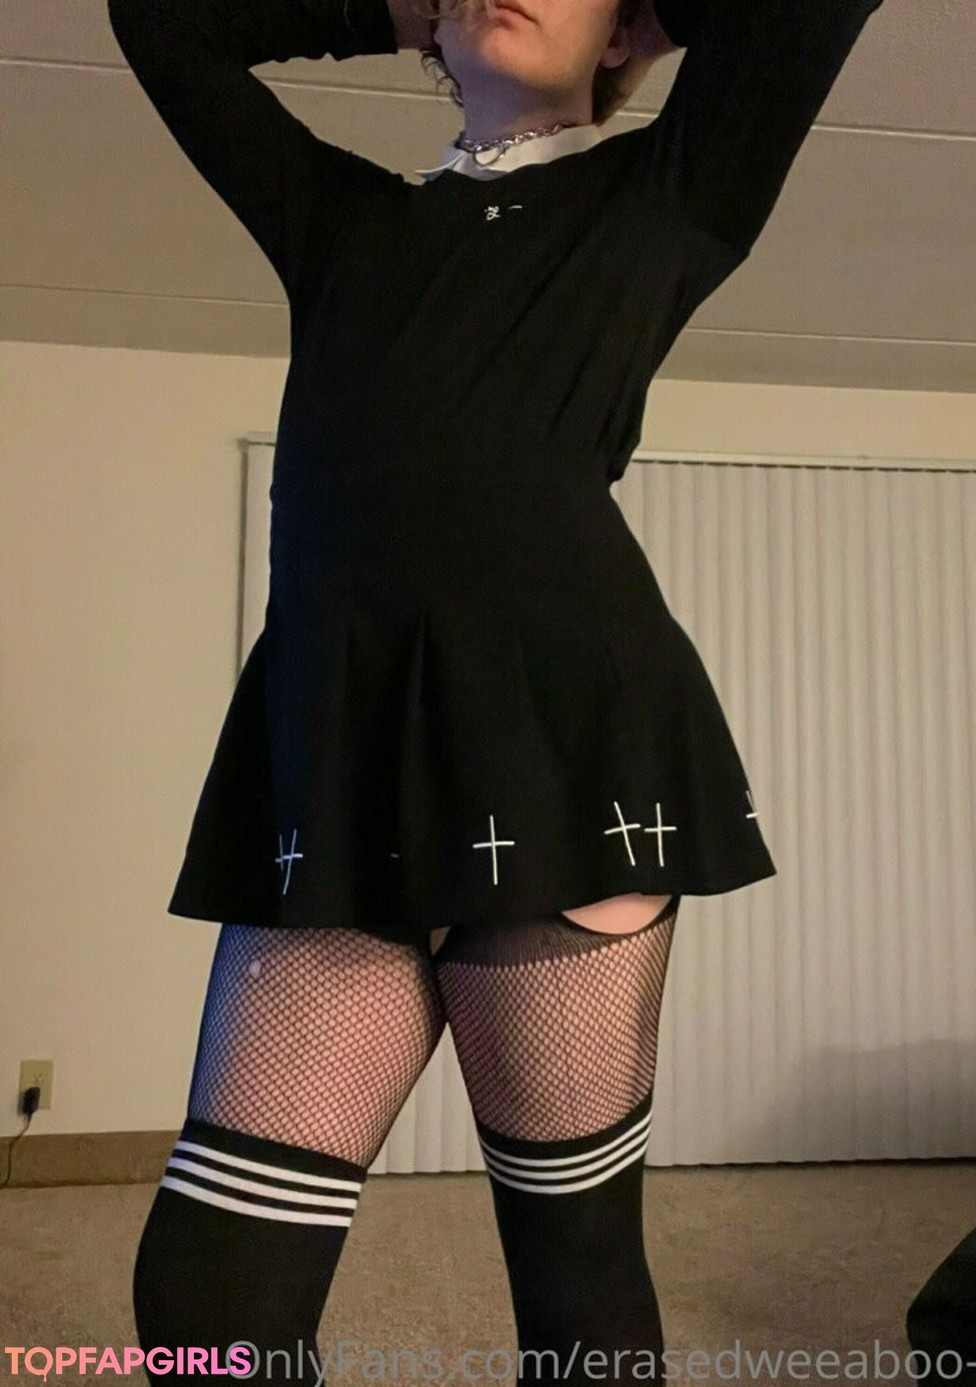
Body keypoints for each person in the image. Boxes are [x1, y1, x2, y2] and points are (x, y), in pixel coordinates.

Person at [106, 0, 886, 1382]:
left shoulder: (668, 194)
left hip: (565, 743)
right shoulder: (341, 222)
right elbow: (162, 25)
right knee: (204, 1296)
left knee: (575, 1275)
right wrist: (411, 1)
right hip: (343, 758)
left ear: (624, 37)